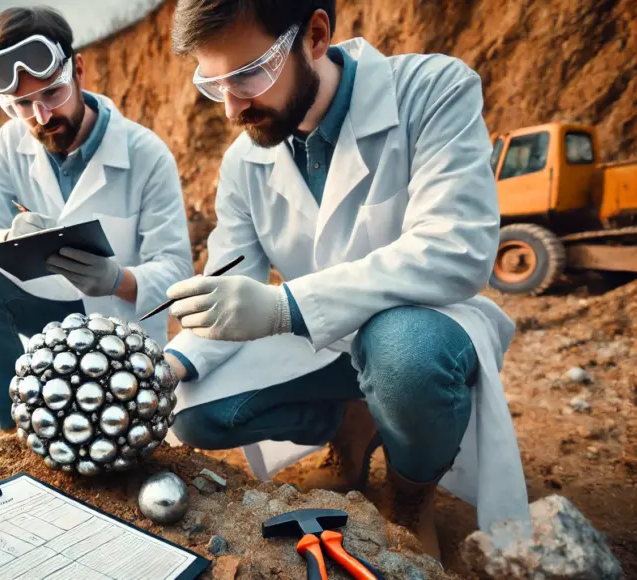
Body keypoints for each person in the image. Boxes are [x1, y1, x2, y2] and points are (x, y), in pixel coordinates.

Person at [161, 0, 530, 561]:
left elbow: (457, 248)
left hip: (425, 327)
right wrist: (175, 363)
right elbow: (229, 281)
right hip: (322, 338)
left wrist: (284, 307)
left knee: (402, 354)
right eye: (215, 85)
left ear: (314, 34)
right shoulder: (243, 161)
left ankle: (409, 494)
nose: (233, 109)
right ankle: (351, 424)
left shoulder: (432, 89)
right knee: (191, 411)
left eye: (247, 75)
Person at [0, 6, 193, 430]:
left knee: (105, 427)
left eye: (52, 95)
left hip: (117, 325)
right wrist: (8, 236)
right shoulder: (10, 142)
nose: (41, 117)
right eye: (22, 104)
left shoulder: (145, 153)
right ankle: (19, 430)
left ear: (78, 70)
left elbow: (176, 268)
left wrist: (118, 280)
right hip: (43, 311)